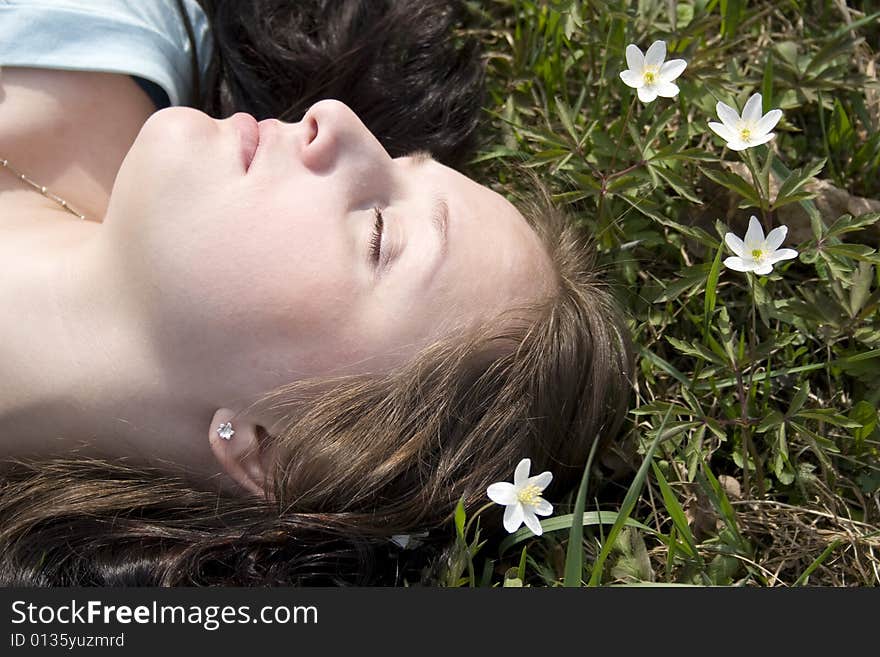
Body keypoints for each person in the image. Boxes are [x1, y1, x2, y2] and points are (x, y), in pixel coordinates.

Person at [0, 0, 633, 585]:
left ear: (268, 448)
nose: (336, 120)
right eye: (396, 157)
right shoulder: (100, 20)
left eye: (380, 233)